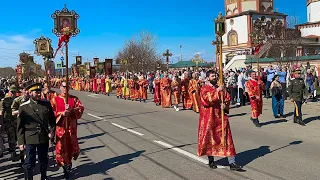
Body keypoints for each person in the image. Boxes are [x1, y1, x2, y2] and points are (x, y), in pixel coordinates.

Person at [197, 70, 244, 172]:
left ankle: (232, 162)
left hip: (221, 117)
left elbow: (226, 97)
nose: (215, 77)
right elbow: (206, 100)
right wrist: (217, 91)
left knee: (227, 138)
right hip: (209, 118)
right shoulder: (204, 88)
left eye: (215, 76)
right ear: (208, 78)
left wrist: (225, 105)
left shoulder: (221, 87)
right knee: (210, 139)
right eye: (212, 76)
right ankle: (211, 160)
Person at [17, 83, 56, 180]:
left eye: (40, 92)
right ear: (30, 93)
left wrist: (52, 132)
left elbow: (52, 121)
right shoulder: (23, 107)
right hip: (30, 137)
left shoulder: (46, 104)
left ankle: (44, 176)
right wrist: (21, 142)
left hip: (43, 136)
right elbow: (20, 126)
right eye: (36, 92)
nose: (39, 94)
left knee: (44, 160)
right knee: (29, 161)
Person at [51, 82, 84, 178]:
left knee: (70, 148)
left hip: (71, 129)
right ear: (60, 87)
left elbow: (81, 108)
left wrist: (72, 110)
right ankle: (64, 166)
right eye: (64, 86)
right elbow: (51, 113)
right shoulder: (55, 99)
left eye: (67, 86)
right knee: (61, 148)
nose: (65, 88)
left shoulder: (74, 98)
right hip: (60, 129)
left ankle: (68, 166)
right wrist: (61, 113)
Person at [12, 83, 30, 166]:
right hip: (20, 125)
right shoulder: (17, 100)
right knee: (22, 143)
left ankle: (28, 160)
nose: (27, 92)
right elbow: (12, 112)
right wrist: (20, 112)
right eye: (25, 90)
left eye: (28, 90)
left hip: (30, 125)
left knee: (29, 143)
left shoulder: (32, 100)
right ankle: (23, 160)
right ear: (22, 91)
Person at [1, 85, 18, 161]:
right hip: (8, 122)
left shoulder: (17, 100)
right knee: (11, 137)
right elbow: (1, 112)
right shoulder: (4, 100)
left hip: (16, 121)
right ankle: (12, 152)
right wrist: (1, 123)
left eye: (14, 92)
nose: (13, 93)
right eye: (12, 92)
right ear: (9, 92)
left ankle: (13, 150)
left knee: (16, 137)